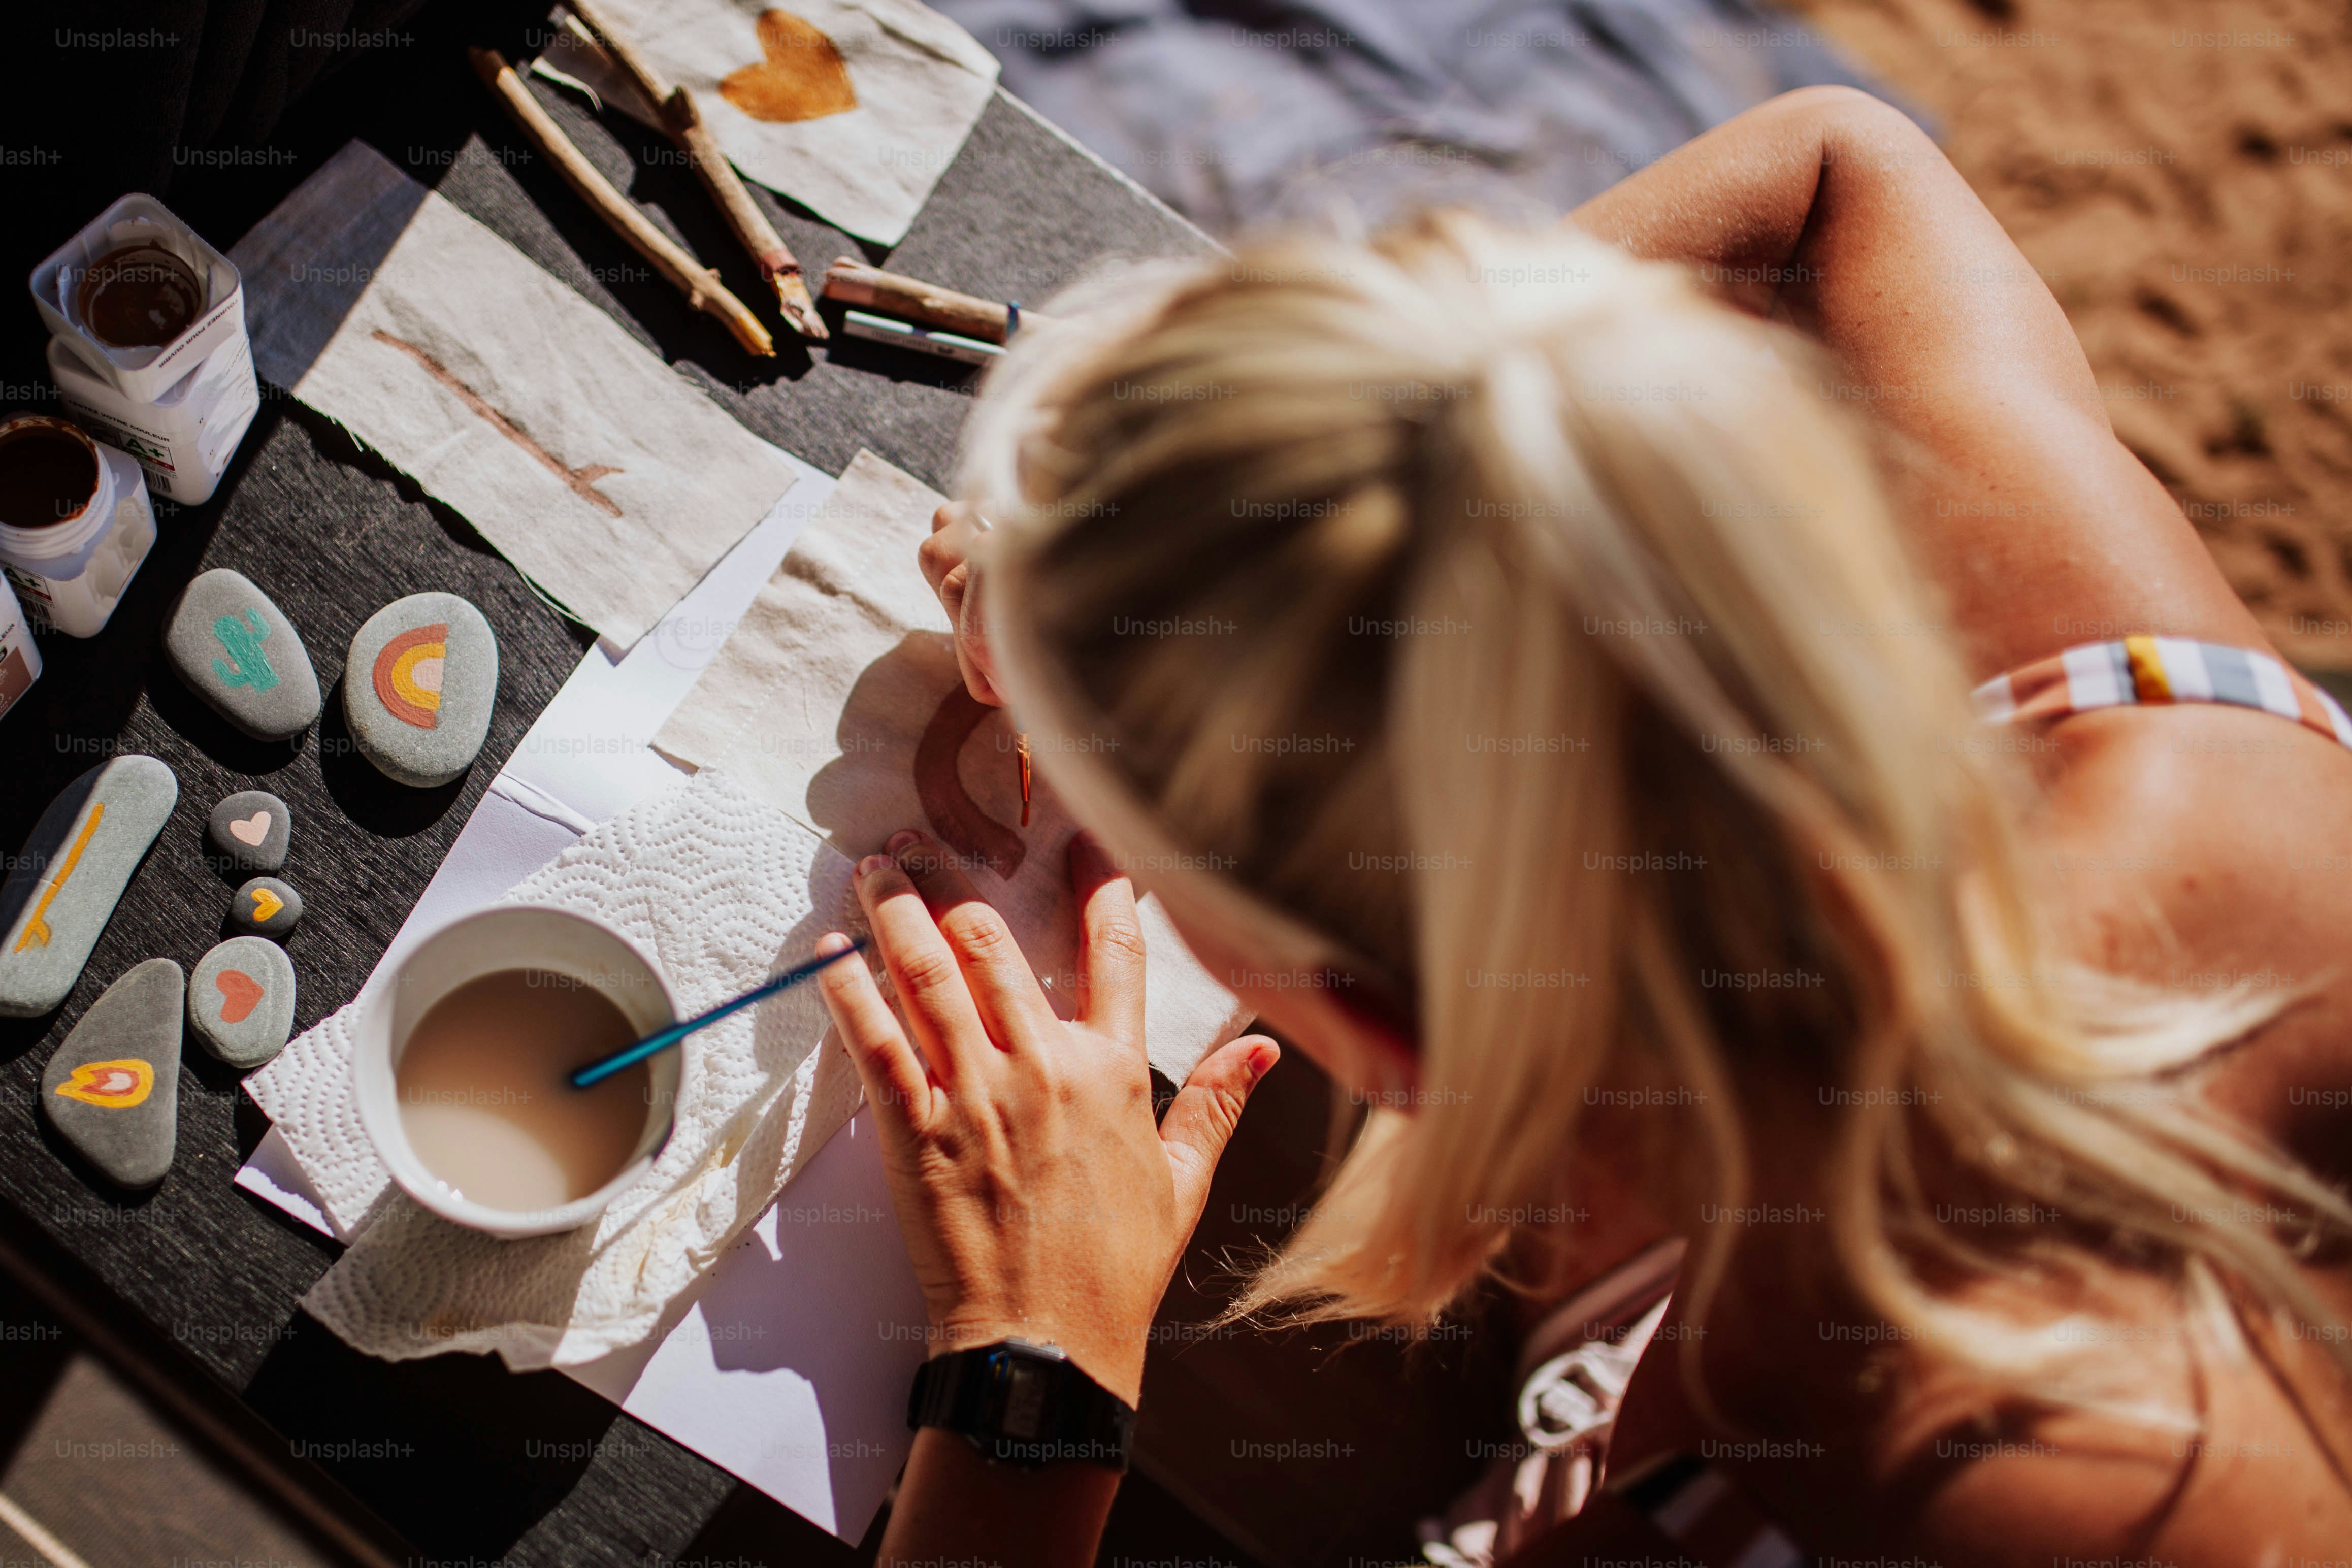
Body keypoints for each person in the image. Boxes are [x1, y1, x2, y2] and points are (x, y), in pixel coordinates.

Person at [807, 85, 2352, 1565]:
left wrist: (1042, 1367)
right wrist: (1302, 489)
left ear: (1397, 1047)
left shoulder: (1797, 1479)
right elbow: (1839, 165)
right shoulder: (2142, 702)